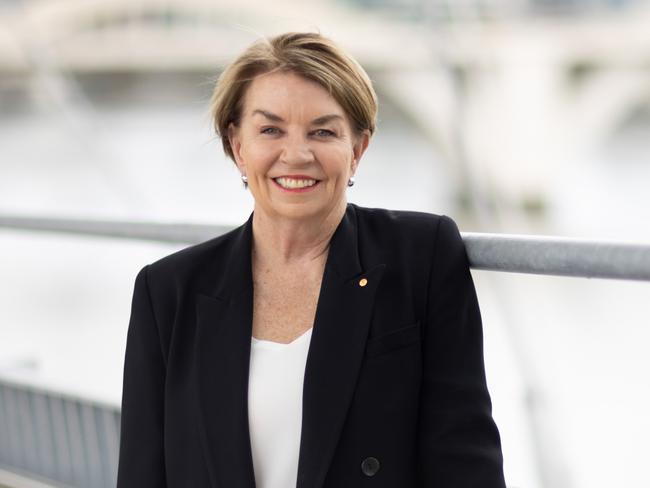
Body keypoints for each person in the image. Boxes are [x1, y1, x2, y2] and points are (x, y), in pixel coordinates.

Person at [117, 32, 506, 488]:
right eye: (270, 130)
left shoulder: (422, 254)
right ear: (237, 147)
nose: (297, 155)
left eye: (323, 131)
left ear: (358, 148)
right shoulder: (168, 291)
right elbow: (143, 473)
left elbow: (465, 460)